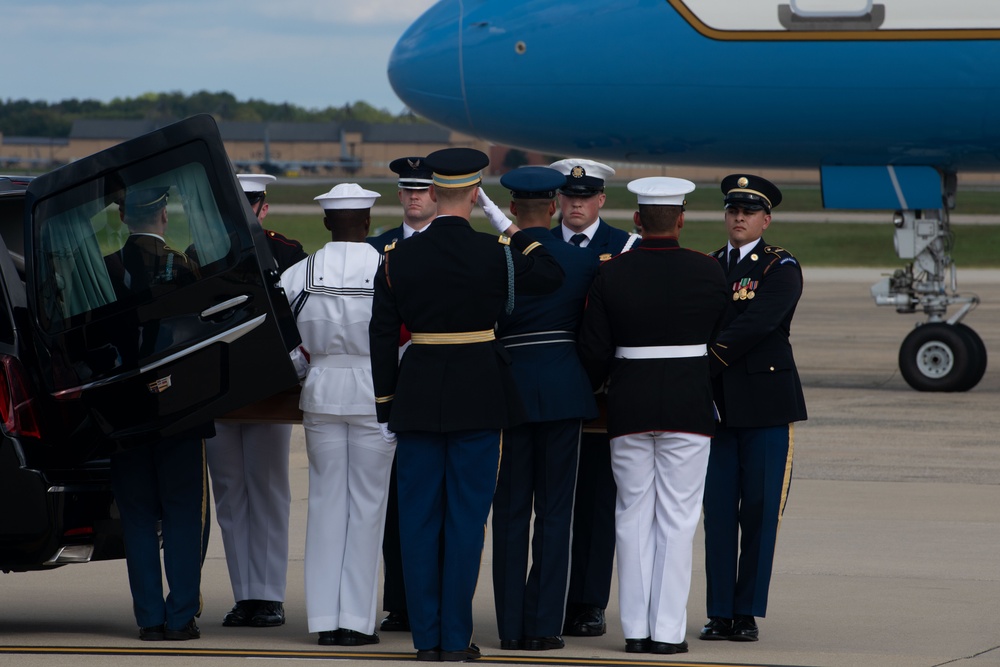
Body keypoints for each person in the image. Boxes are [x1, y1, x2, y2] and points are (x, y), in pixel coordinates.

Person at [369, 147, 564, 662]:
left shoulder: (396, 257)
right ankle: (455, 640)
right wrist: (506, 225)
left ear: (431, 192)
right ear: (476, 193)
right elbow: (550, 273)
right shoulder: (497, 252)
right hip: (479, 396)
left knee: (417, 521)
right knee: (465, 521)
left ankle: (426, 638)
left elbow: (382, 335)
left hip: (417, 396)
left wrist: (386, 403)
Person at [578, 176, 729, 655]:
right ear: (681, 219)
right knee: (680, 520)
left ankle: (637, 632)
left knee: (632, 515)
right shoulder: (709, 271)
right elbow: (721, 337)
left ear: (638, 220)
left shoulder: (612, 272)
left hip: (630, 404)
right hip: (687, 402)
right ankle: (667, 632)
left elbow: (595, 350)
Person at [487, 167, 600, 652]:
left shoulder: (494, 259)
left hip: (509, 389)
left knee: (510, 512)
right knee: (556, 513)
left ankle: (509, 626)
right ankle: (544, 625)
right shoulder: (583, 262)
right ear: (553, 207)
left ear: (513, 208)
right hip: (561, 389)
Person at [281, 183, 394, 647]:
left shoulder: (297, 274)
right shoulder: (388, 270)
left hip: (322, 394)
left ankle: (325, 620)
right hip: (374, 395)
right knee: (367, 509)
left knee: (327, 504)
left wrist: (309, 366)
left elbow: (283, 348)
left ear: (327, 222)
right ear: (367, 223)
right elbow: (404, 340)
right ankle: (356, 622)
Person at [700, 174, 808, 643]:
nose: (738, 217)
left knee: (760, 511)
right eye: (732, 210)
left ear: (766, 219)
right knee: (719, 512)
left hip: (765, 405)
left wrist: (712, 355)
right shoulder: (707, 265)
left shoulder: (780, 266)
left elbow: (763, 321)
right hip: (717, 408)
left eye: (748, 211)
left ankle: (746, 613)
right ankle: (719, 611)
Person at [110, 186, 211, 642]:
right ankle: (181, 615)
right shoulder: (184, 266)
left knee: (136, 515)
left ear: (123, 218)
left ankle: (149, 617)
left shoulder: (107, 269)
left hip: (124, 407)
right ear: (164, 216)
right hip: (177, 405)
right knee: (182, 512)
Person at [206, 174, 305, 629]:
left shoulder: (287, 253)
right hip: (221, 389)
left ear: (264, 208)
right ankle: (244, 594)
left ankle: (268, 594)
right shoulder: (203, 256)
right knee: (230, 494)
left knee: (266, 491)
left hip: (267, 388)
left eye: (252, 205)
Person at [548, 157, 634, 637]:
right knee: (553, 501)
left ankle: (588, 601)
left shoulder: (623, 245)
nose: (576, 204)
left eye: (585, 197)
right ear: (559, 198)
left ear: (601, 199)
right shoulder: (538, 242)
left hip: (600, 393)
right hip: (553, 388)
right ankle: (551, 597)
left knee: (600, 501)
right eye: (569, 197)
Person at [367, 156, 438, 634]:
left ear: (438, 194)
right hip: (395, 385)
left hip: (440, 377)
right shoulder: (378, 249)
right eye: (407, 189)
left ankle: (435, 601)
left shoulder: (449, 245)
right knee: (396, 504)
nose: (414, 196)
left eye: (423, 189)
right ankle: (400, 601)